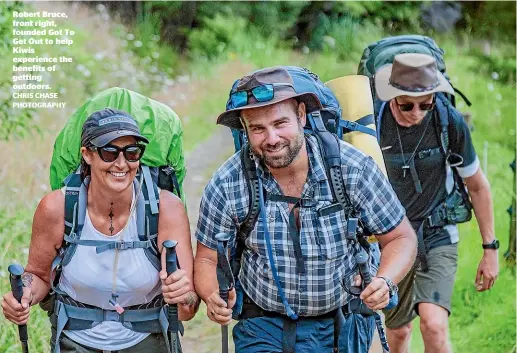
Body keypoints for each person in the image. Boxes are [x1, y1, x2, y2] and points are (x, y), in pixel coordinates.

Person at [194, 66, 417, 352]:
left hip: (342, 323)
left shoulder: (353, 169)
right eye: (258, 129)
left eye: (280, 123)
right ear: (245, 130)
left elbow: (400, 237)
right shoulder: (228, 182)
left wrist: (384, 281)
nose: (271, 138)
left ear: (301, 115)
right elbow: (207, 259)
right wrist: (212, 294)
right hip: (262, 324)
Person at [2, 108, 199, 352]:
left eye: (132, 152)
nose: (121, 163)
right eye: (109, 152)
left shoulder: (166, 209)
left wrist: (182, 294)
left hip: (147, 340)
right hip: (75, 341)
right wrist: (24, 295)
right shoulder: (57, 208)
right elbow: (39, 276)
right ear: (87, 155)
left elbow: (187, 309)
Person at [374, 53, 499, 353]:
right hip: (391, 239)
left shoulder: (448, 122)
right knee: (399, 331)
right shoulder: (375, 125)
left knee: (433, 325)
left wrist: (490, 249)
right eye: (407, 104)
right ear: (392, 96)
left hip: (437, 232)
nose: (417, 112)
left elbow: (478, 186)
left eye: (425, 104)